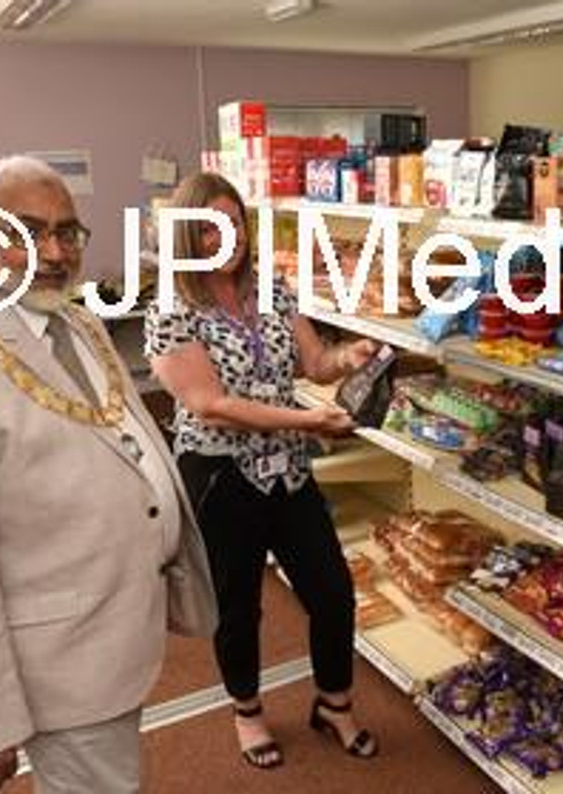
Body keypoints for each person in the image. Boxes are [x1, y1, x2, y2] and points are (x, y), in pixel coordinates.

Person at [0, 155, 217, 794]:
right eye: (27, 233)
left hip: (111, 631)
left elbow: (116, 439)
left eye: (67, 232)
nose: (54, 252)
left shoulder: (72, 319)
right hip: (55, 661)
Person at [145, 172, 379, 770]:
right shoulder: (171, 308)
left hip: (289, 472)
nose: (229, 239)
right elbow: (209, 404)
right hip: (221, 475)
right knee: (238, 604)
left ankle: (333, 701)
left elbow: (315, 362)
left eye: (237, 224)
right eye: (210, 229)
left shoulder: (272, 287)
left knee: (332, 591)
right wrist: (307, 423)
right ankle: (247, 711)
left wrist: (345, 358)